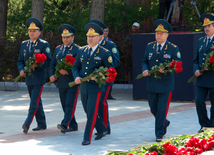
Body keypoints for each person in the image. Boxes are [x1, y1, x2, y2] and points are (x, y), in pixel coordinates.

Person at [72, 22, 114, 145]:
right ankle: (101, 128)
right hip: (84, 87)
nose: (90, 39)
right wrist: (77, 76)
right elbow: (75, 67)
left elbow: (110, 71)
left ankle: (87, 137)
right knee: (88, 110)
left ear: (99, 38)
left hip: (96, 87)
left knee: (91, 113)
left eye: (93, 36)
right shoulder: (81, 51)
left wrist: (98, 76)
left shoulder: (104, 52)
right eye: (88, 36)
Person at [141, 19, 181, 142]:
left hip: (165, 84)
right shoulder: (150, 46)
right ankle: (165, 122)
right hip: (152, 84)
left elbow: (177, 64)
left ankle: (159, 134)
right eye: (157, 33)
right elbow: (144, 61)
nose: (158, 35)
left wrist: (167, 69)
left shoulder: (173, 48)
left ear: (167, 35)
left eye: (161, 33)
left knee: (162, 109)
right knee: (153, 108)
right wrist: (145, 69)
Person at [17, 17, 51, 134]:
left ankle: (27, 123)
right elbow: (20, 60)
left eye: (34, 30)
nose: (31, 32)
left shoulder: (43, 44)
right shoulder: (24, 44)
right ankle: (42, 123)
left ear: (39, 32)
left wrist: (37, 65)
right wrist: (21, 69)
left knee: (34, 102)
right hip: (29, 78)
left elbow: (48, 61)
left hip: (38, 78)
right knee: (36, 100)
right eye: (30, 30)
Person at [89, 19, 120, 135]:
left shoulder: (110, 45)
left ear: (101, 34)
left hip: (105, 79)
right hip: (93, 80)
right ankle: (100, 126)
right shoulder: (90, 45)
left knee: (102, 102)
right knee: (94, 103)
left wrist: (102, 69)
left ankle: (106, 127)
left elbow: (116, 61)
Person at [49, 24, 80, 134]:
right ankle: (73, 124)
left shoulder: (78, 50)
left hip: (72, 83)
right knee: (64, 105)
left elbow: (79, 67)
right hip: (61, 82)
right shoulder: (58, 49)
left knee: (69, 104)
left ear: (73, 37)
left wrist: (68, 72)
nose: (65, 39)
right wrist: (51, 75)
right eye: (63, 37)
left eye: (67, 37)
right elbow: (52, 64)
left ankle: (64, 125)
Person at [194, 13, 214, 133]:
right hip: (202, 78)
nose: (206, 28)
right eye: (205, 26)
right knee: (199, 101)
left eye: (209, 26)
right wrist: (196, 69)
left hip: (213, 78)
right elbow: (195, 59)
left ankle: (212, 126)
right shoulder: (200, 41)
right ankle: (204, 125)